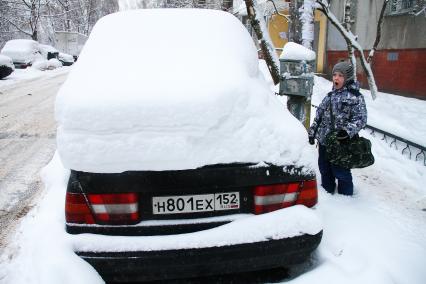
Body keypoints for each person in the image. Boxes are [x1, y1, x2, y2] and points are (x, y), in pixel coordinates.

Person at [308, 61, 367, 196]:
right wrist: (312, 133)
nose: (336, 78)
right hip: (324, 142)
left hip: (341, 143)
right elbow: (319, 116)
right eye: (334, 74)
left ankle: (345, 199)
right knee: (324, 169)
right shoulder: (329, 96)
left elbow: (361, 119)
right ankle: (328, 194)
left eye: (340, 75)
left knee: (340, 171)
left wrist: (347, 132)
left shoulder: (355, 97)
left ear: (348, 78)